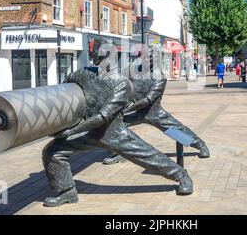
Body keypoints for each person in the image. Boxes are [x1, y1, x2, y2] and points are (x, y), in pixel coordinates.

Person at [42, 57, 193, 207]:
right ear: (95, 59)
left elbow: (104, 116)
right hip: (89, 131)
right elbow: (66, 95)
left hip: (113, 133)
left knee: (147, 156)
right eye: (100, 58)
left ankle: (182, 176)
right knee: (52, 151)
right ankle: (66, 192)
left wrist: (71, 131)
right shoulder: (81, 74)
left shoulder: (121, 83)